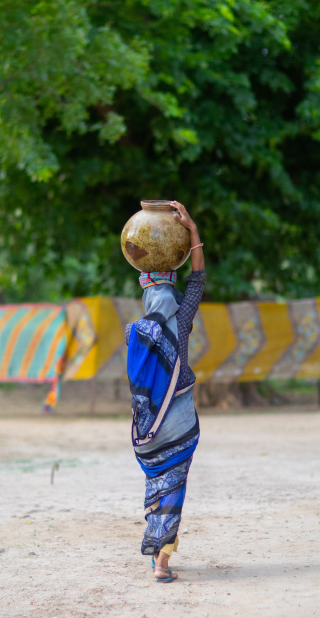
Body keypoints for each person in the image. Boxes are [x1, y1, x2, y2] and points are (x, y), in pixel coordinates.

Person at [125, 201, 205, 583]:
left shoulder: (137, 331)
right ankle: (162, 561)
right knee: (175, 485)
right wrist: (192, 233)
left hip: (148, 430)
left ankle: (158, 547)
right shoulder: (182, 318)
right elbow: (198, 281)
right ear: (170, 294)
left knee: (157, 482)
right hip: (180, 423)